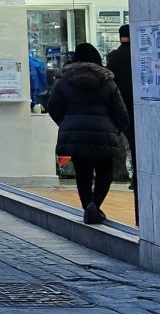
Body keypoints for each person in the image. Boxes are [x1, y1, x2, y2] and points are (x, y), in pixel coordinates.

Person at [47, 42, 130, 225]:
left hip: (75, 136)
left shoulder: (63, 81)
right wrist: (117, 129)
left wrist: (67, 123)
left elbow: (53, 107)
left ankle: (87, 207)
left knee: (83, 174)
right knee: (104, 172)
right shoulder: (107, 81)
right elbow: (120, 111)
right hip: (104, 134)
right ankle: (96, 204)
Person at [105, 25, 136, 189]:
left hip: (121, 106)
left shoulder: (115, 57)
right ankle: (138, 176)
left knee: (125, 143)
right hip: (139, 105)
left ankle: (124, 175)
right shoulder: (139, 54)